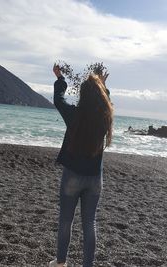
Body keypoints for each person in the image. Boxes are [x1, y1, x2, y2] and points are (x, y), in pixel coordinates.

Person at [49, 64, 113, 267]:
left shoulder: (74, 115)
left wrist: (60, 80)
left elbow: (58, 100)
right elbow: (107, 103)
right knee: (89, 223)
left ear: (82, 95)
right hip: (95, 179)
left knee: (66, 221)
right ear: (100, 95)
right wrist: (103, 86)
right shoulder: (105, 117)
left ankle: (60, 264)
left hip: (73, 177)